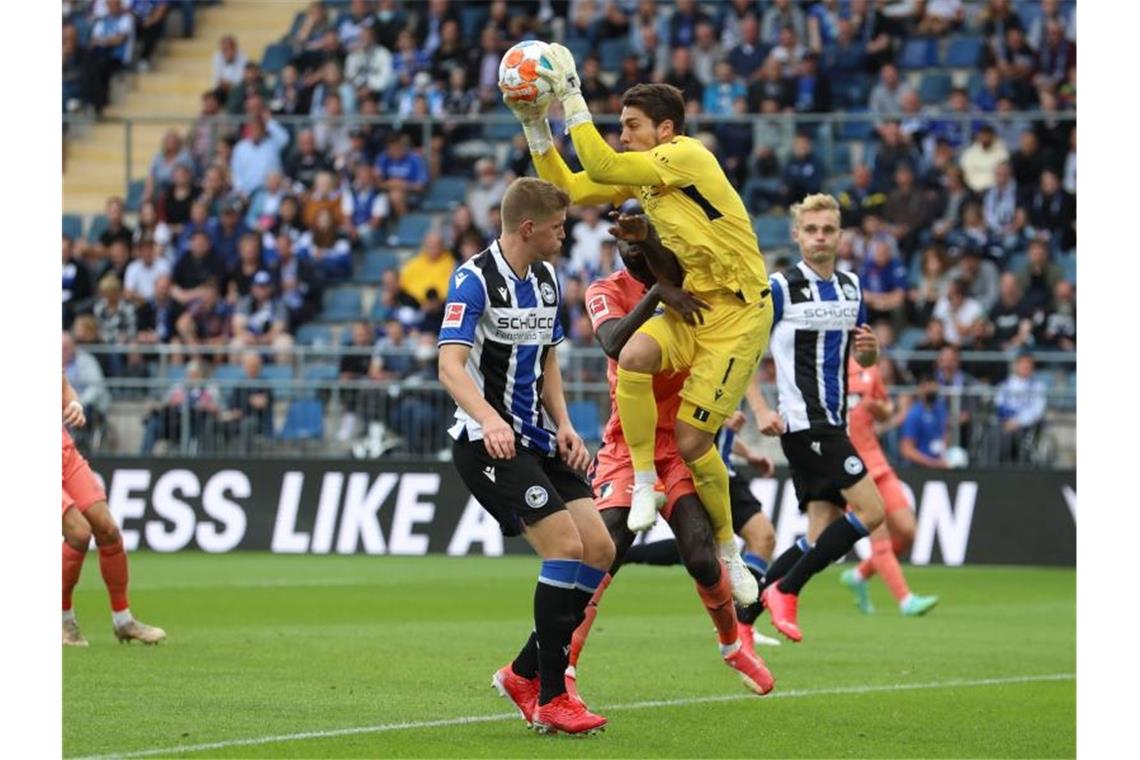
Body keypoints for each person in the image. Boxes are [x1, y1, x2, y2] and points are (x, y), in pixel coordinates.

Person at [510, 63, 773, 606]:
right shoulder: (649, 174)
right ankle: (647, 481)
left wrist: (573, 95)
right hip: (694, 302)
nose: (622, 136)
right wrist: (537, 128)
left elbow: (601, 161)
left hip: (740, 314)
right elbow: (570, 187)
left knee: (695, 442)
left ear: (666, 132)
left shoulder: (688, 157)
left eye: (631, 125)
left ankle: (728, 549)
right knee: (632, 356)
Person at [567, 228, 776, 703]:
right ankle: (564, 664)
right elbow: (614, 343)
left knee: (701, 554)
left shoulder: (699, 284)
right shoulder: (607, 289)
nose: (634, 253)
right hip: (628, 442)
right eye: (627, 247)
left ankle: (732, 645)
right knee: (608, 546)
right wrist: (660, 294)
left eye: (643, 244)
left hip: (680, 437)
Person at [437, 178, 614, 735]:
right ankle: (554, 696)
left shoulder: (544, 278)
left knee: (600, 548)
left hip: (537, 436)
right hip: (485, 442)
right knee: (565, 545)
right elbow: (449, 365)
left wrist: (565, 424)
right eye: (560, 226)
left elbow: (549, 363)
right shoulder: (473, 280)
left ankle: (522, 672)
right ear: (529, 227)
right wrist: (489, 418)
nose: (567, 234)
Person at [745, 193, 885, 643]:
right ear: (796, 235)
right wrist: (761, 408)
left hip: (834, 422)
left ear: (840, 235)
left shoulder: (852, 287)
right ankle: (786, 591)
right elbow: (745, 353)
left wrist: (871, 353)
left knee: (819, 534)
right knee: (873, 511)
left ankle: (742, 624)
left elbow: (863, 350)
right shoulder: (781, 288)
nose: (820, 237)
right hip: (804, 425)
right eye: (811, 230)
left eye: (827, 230)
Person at [619, 407, 783, 649]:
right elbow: (689, 421)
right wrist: (716, 414)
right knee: (703, 549)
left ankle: (741, 619)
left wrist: (749, 455)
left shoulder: (731, 376)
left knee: (761, 537)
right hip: (701, 470)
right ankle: (737, 623)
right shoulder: (699, 376)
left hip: (727, 472)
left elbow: (720, 431)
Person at [62, 373, 166, 646]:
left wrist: (74, 404)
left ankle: (123, 621)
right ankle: (64, 622)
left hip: (63, 453)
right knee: (79, 533)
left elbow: (62, 387)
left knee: (107, 529)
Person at [838, 356, 940, 617]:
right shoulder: (825, 369)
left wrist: (878, 408)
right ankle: (906, 601)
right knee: (879, 539)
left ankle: (859, 575)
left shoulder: (868, 369)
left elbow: (886, 408)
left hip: (878, 463)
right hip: (850, 469)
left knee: (907, 533)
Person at [899, 376, 951, 469]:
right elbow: (907, 449)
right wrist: (933, 463)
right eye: (927, 386)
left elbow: (945, 433)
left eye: (933, 386)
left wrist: (943, 453)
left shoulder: (941, 409)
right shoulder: (914, 414)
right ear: (920, 389)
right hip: (919, 469)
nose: (931, 389)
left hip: (940, 461)